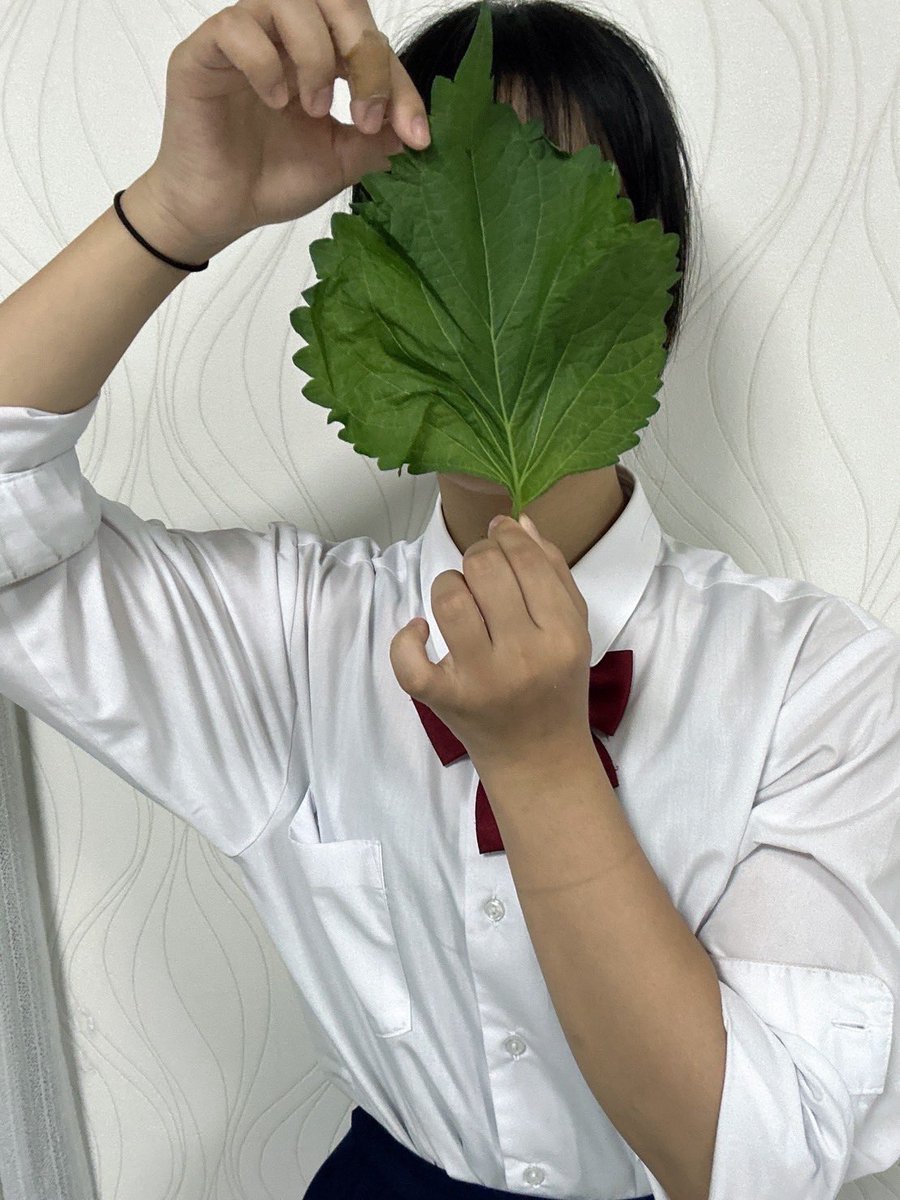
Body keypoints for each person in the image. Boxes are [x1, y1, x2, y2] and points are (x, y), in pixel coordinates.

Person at [0, 3, 898, 1199]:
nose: (493, 282)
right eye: (434, 227)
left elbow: (760, 1162)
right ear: (368, 300)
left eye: (551, 218)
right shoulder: (293, 637)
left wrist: (541, 763)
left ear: (658, 295)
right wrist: (174, 211)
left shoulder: (817, 682)